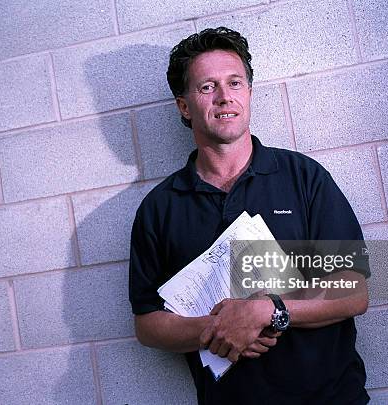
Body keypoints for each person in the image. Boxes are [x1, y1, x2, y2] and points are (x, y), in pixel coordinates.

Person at [129, 27, 371, 404]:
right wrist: (219, 327)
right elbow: (148, 325)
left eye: (235, 82)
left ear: (249, 92)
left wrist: (267, 311)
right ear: (184, 105)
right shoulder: (159, 208)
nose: (225, 97)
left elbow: (354, 289)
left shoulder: (303, 177)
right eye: (207, 87)